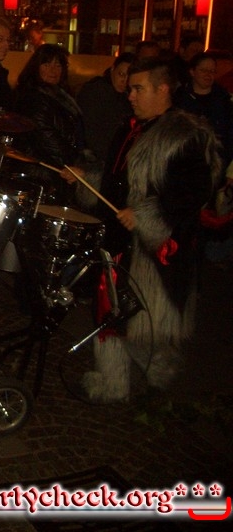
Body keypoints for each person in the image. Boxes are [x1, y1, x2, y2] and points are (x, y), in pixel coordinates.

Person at [85, 57, 221, 403]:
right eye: (130, 88)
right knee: (112, 312)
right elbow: (115, 177)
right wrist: (87, 179)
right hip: (119, 240)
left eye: (138, 88)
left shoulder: (185, 135)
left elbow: (194, 191)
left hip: (156, 249)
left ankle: (160, 374)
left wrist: (145, 214)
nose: (130, 95)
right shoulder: (130, 127)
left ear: (162, 89)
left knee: (147, 324)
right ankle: (113, 382)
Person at [13, 43, 88, 204]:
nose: (53, 70)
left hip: (56, 171)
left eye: (58, 65)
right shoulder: (34, 98)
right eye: (47, 64)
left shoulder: (60, 95)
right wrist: (75, 161)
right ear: (36, 67)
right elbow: (45, 136)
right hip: (42, 174)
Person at [174, 51, 233, 165]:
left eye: (212, 71)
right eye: (203, 70)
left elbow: (229, 137)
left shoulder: (224, 101)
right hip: (184, 162)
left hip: (215, 162)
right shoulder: (179, 99)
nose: (208, 75)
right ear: (192, 72)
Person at [77, 52, 135, 167]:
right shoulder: (96, 92)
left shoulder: (126, 96)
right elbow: (94, 134)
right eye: (121, 74)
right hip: (97, 160)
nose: (124, 81)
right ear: (112, 69)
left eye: (129, 77)